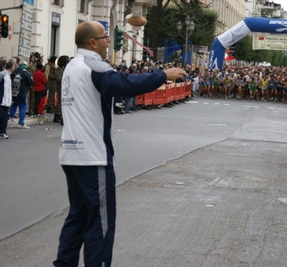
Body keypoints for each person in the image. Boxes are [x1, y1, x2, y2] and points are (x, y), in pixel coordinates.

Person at [53, 21, 187, 267]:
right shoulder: (93, 65)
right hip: (93, 156)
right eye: (105, 38)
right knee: (100, 222)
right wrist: (162, 75)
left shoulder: (72, 65)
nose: (108, 42)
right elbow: (123, 85)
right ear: (92, 42)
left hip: (71, 153)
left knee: (78, 216)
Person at [9, 60, 34, 129]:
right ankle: (21, 122)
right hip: (22, 92)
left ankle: (10, 117)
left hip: (14, 91)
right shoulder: (26, 73)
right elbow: (31, 82)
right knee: (23, 106)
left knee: (14, 104)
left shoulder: (15, 72)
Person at [0, 59, 16, 139]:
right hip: (2, 100)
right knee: (1, 116)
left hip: (6, 101)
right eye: (14, 66)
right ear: (12, 67)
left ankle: (3, 132)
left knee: (4, 117)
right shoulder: (3, 74)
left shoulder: (9, 75)